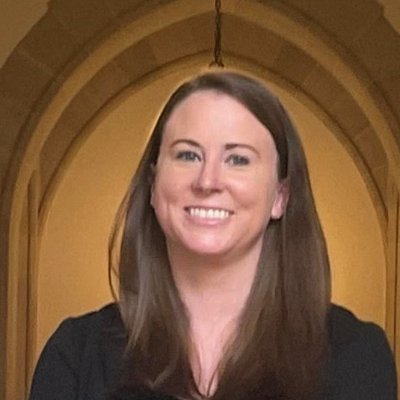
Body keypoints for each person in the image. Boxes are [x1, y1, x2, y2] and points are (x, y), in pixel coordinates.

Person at [29, 71, 397, 400]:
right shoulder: (75, 354)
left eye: (238, 159)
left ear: (280, 196)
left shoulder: (356, 355)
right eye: (187, 155)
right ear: (154, 185)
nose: (208, 181)